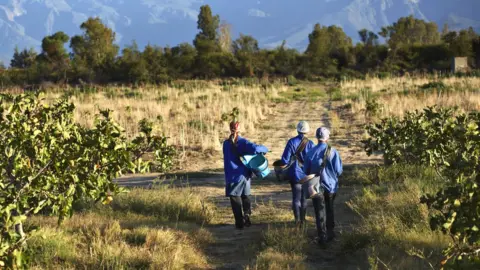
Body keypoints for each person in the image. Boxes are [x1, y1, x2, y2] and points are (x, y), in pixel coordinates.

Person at [223, 121, 269, 230]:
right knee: (246, 196)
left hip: (232, 176)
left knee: (235, 198)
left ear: (230, 129)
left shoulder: (225, 143)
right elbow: (256, 149)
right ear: (240, 129)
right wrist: (265, 149)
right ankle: (247, 217)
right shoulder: (243, 142)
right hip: (245, 175)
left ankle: (239, 224)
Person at [302, 127, 343, 245]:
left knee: (319, 211)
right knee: (330, 208)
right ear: (327, 137)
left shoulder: (310, 152)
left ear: (316, 137)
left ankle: (322, 236)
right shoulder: (333, 151)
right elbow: (339, 171)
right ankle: (331, 233)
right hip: (331, 186)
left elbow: (306, 171)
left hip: (315, 187)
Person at [278, 121, 315, 225]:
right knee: (304, 198)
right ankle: (303, 220)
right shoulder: (311, 143)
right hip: (306, 174)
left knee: (296, 198)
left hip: (294, 174)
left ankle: (297, 221)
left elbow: (284, 160)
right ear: (307, 131)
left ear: (297, 129)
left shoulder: (291, 142)